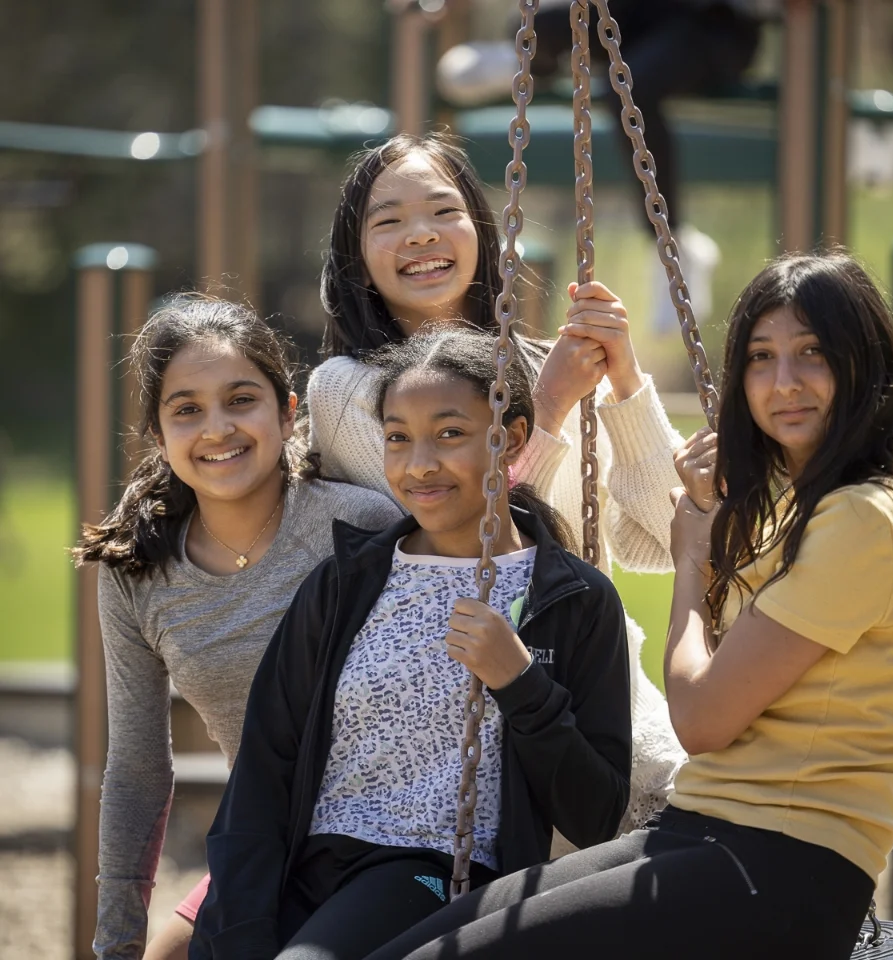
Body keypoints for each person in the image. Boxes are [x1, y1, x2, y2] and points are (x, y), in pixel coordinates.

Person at [357, 251, 893, 960]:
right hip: (703, 832)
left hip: (785, 866)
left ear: (865, 365)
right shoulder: (792, 506)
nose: (784, 383)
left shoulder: (871, 515)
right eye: (761, 359)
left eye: (812, 355)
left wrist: (692, 559)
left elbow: (702, 718)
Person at [189, 328, 634, 960]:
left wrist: (522, 686)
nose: (418, 464)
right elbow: (265, 770)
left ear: (509, 438)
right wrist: (236, 932)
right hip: (306, 867)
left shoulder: (574, 600)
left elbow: (595, 814)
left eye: (449, 434)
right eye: (398, 438)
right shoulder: (346, 583)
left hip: (431, 872)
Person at [309, 132, 705, 832]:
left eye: (442, 211)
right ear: (358, 258)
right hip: (460, 714)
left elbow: (654, 540)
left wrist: (625, 380)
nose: (420, 236)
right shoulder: (347, 390)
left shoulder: (547, 362)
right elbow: (453, 525)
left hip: (591, 688)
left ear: (482, 233)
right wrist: (547, 407)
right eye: (388, 221)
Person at [73, 295, 402, 960]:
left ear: (287, 412)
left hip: (386, 840)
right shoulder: (136, 573)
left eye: (241, 399)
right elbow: (138, 768)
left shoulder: (359, 526)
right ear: (158, 435)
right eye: (187, 409)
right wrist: (115, 942)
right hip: (262, 846)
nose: (217, 428)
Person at [437, 0, 781, 329]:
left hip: (711, 23)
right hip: (637, 14)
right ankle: (528, 62)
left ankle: (672, 238)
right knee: (538, 26)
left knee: (627, 88)